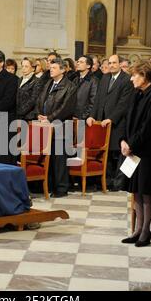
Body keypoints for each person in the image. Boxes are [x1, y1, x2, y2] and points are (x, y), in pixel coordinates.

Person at [120, 60, 151, 247]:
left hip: (147, 152)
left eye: (134, 75)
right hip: (133, 150)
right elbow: (127, 119)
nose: (131, 79)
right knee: (135, 191)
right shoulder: (136, 94)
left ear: (145, 76)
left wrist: (131, 144)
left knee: (146, 192)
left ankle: (146, 232)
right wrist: (123, 140)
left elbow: (149, 126)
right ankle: (137, 230)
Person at [88, 54, 133, 190]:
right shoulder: (105, 77)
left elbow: (123, 104)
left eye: (114, 63)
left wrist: (112, 118)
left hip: (117, 123)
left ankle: (117, 182)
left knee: (116, 153)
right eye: (110, 63)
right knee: (105, 153)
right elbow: (97, 100)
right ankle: (105, 180)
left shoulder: (126, 80)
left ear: (120, 64)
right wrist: (92, 116)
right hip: (102, 122)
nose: (112, 65)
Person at [35, 57, 77, 198]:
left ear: (63, 70)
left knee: (59, 158)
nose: (50, 70)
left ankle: (61, 188)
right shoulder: (49, 83)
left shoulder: (70, 86)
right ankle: (51, 185)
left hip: (61, 127)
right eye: (50, 67)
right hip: (47, 125)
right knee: (50, 157)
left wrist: (50, 118)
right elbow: (41, 99)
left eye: (53, 68)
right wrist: (40, 114)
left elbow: (67, 108)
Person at [73, 55, 98, 120]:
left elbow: (93, 103)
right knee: (68, 130)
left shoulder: (93, 81)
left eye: (81, 62)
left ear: (88, 66)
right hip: (71, 117)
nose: (78, 63)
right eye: (78, 61)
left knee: (80, 130)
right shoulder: (75, 79)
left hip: (82, 119)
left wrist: (82, 117)